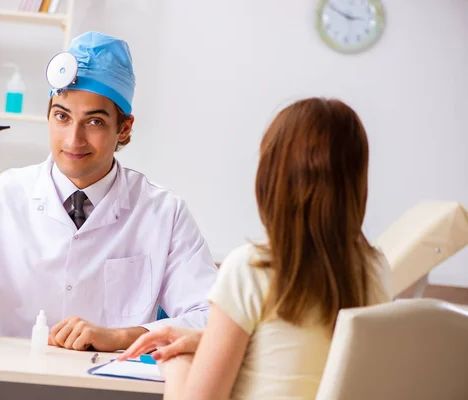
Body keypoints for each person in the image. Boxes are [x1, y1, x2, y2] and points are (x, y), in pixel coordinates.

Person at [0, 31, 218, 352]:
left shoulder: (163, 212)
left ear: (124, 128)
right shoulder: (2, 197)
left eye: (95, 122)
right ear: (48, 117)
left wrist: (121, 336)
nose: (74, 139)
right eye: (62, 116)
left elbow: (210, 317)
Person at [119, 98, 392, 399]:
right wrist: (208, 341)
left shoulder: (252, 269)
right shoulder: (375, 270)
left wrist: (177, 361)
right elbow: (294, 353)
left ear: (271, 180)